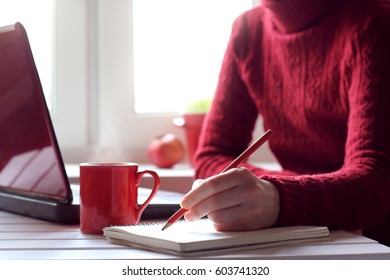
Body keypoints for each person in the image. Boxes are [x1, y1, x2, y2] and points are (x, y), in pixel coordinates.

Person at [180, 0, 390, 246]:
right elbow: (210, 157)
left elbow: (375, 186)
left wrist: (277, 197)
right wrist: (269, 192)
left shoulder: (372, 25)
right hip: (303, 234)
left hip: (371, 245)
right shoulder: (248, 30)